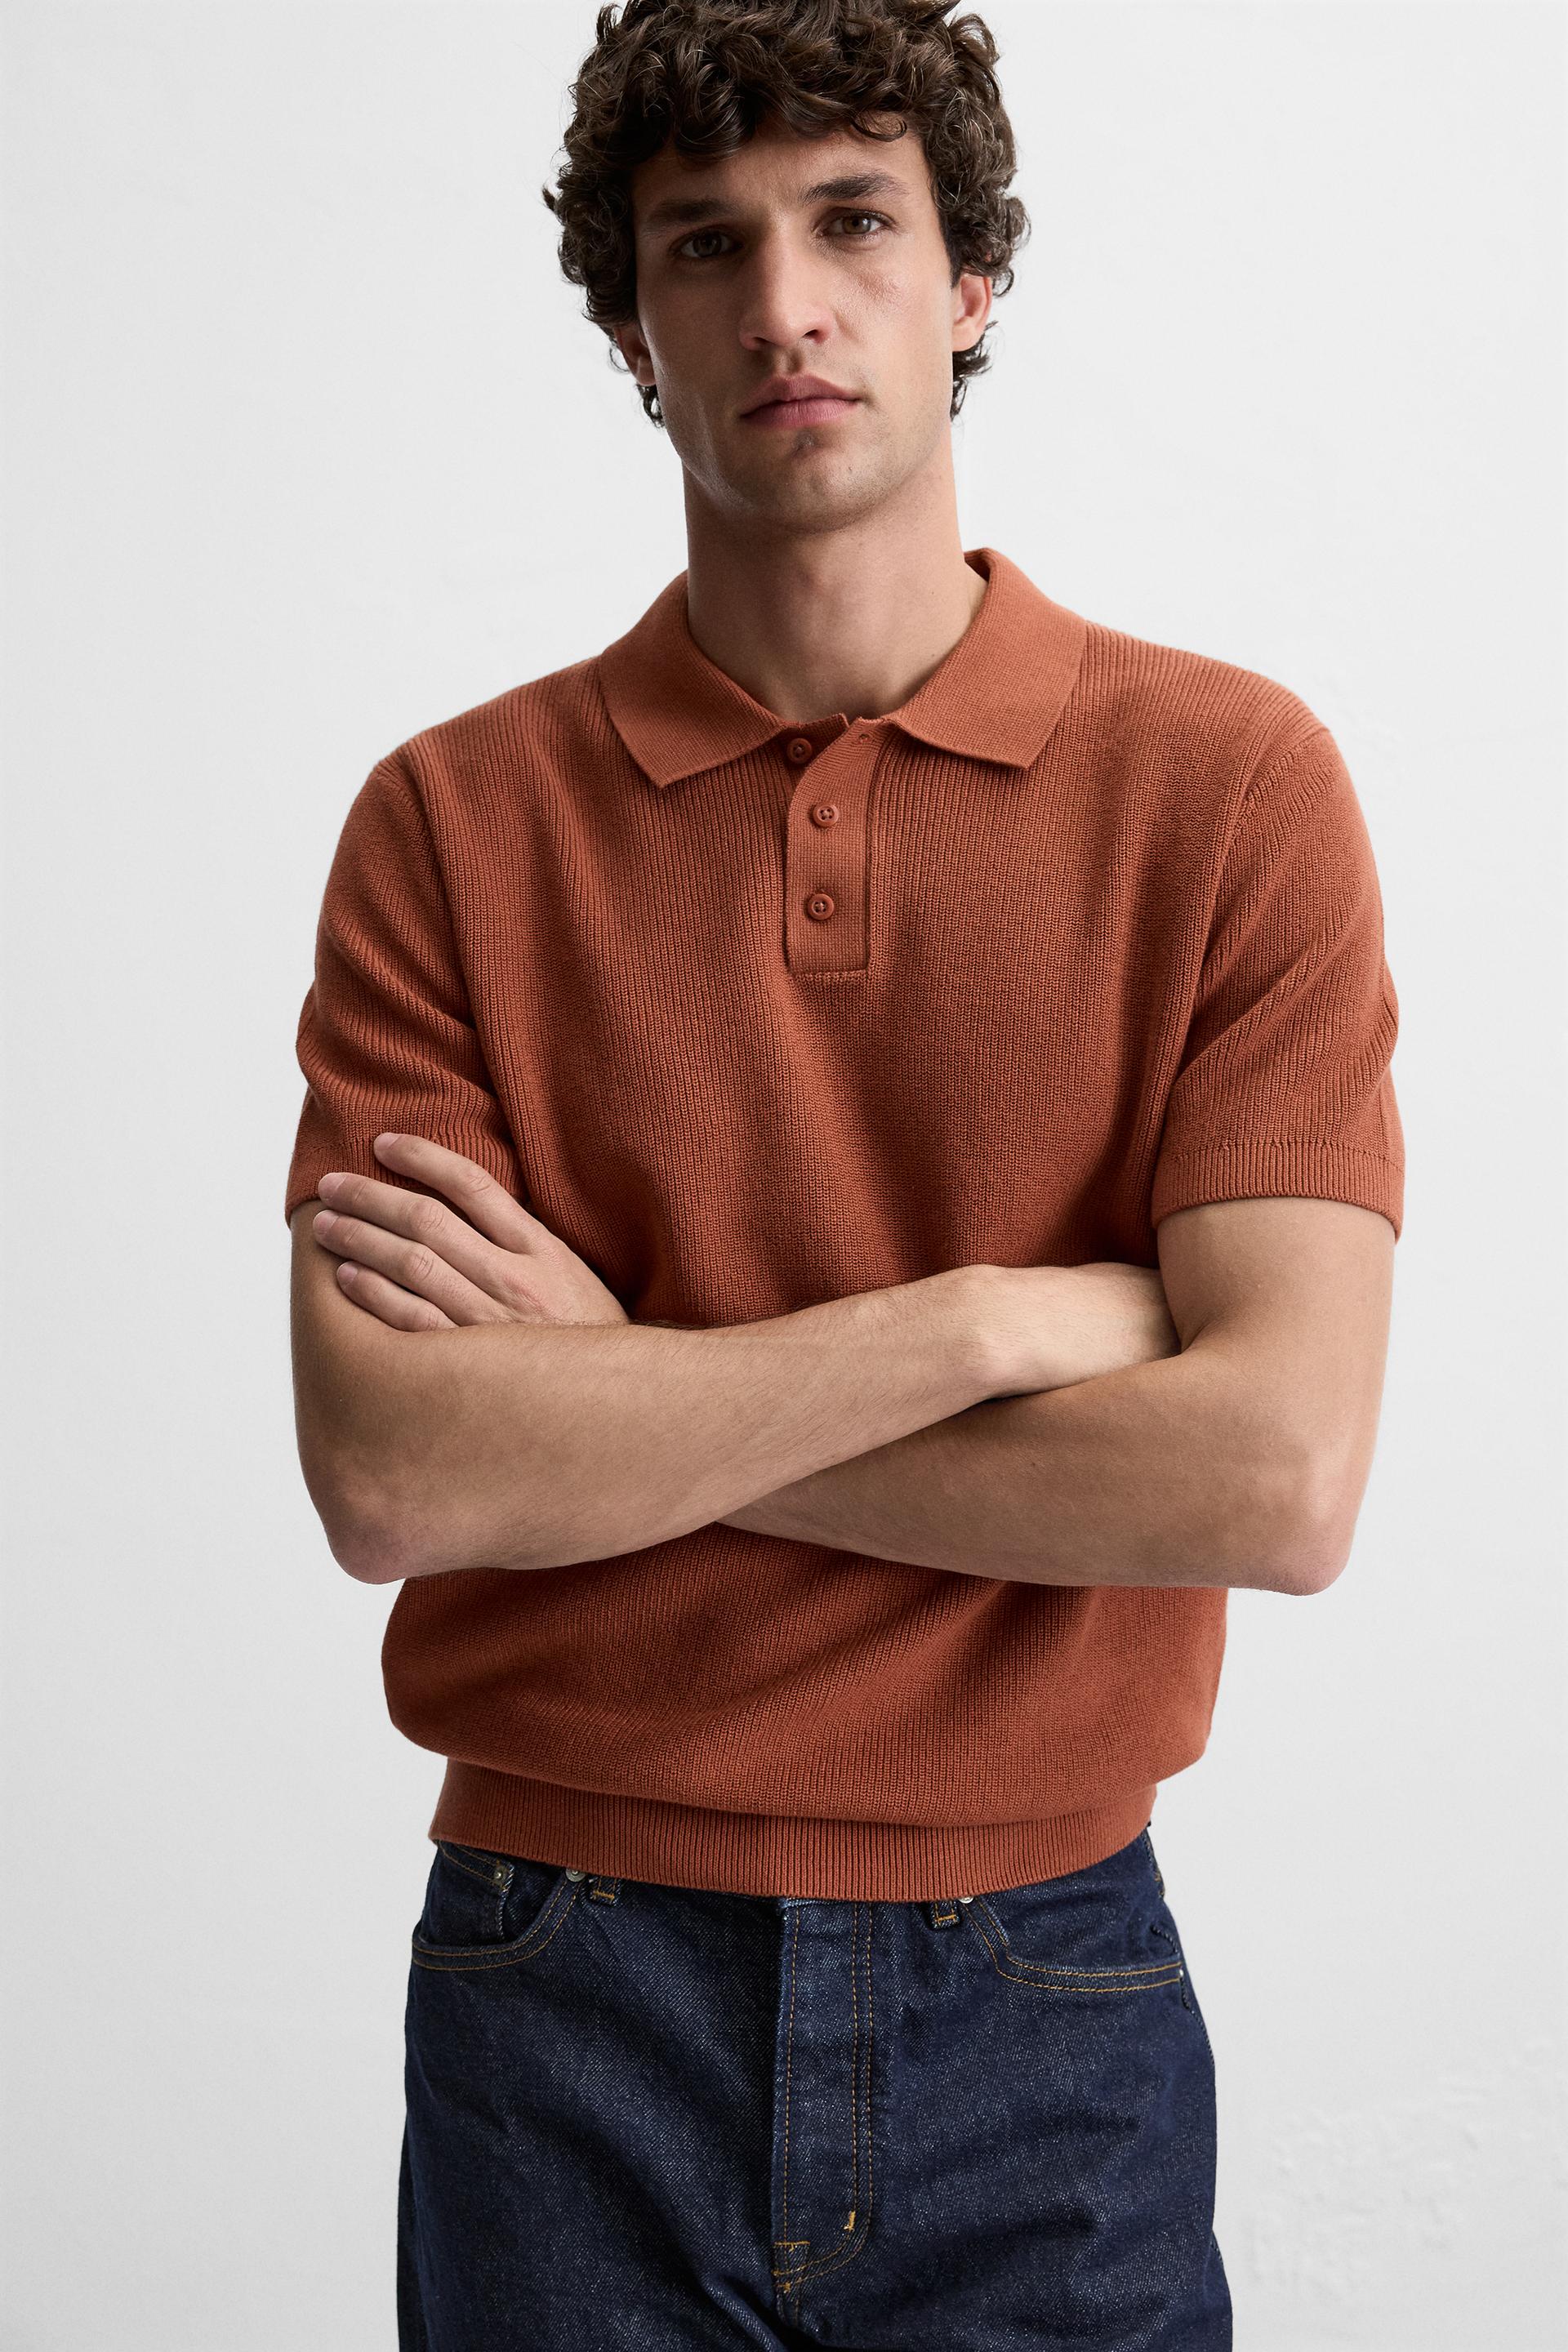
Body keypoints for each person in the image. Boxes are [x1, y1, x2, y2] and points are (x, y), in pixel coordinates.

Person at [283, 2, 1404, 2343]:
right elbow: (398, 1473)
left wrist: (630, 1397)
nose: (783, 302)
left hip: (1049, 1979)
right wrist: (984, 1324)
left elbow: (1277, 1479)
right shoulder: (450, 826)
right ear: (632, 327)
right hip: (562, 1976)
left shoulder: (1230, 791)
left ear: (968, 279)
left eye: (854, 222)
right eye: (705, 245)